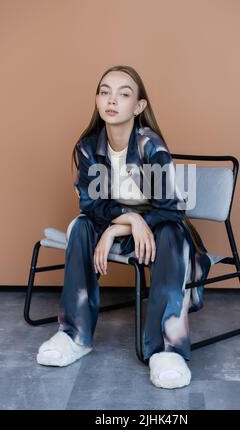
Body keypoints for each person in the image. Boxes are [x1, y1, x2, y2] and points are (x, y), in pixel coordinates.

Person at [36, 65, 212, 389]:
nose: (112, 99)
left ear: (139, 106)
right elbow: (90, 206)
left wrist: (124, 226)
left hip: (159, 228)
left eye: (124, 93)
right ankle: (74, 335)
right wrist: (129, 220)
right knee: (80, 227)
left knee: (173, 234)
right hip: (118, 226)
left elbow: (170, 209)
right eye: (105, 91)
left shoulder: (150, 145)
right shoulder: (88, 147)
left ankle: (166, 349)